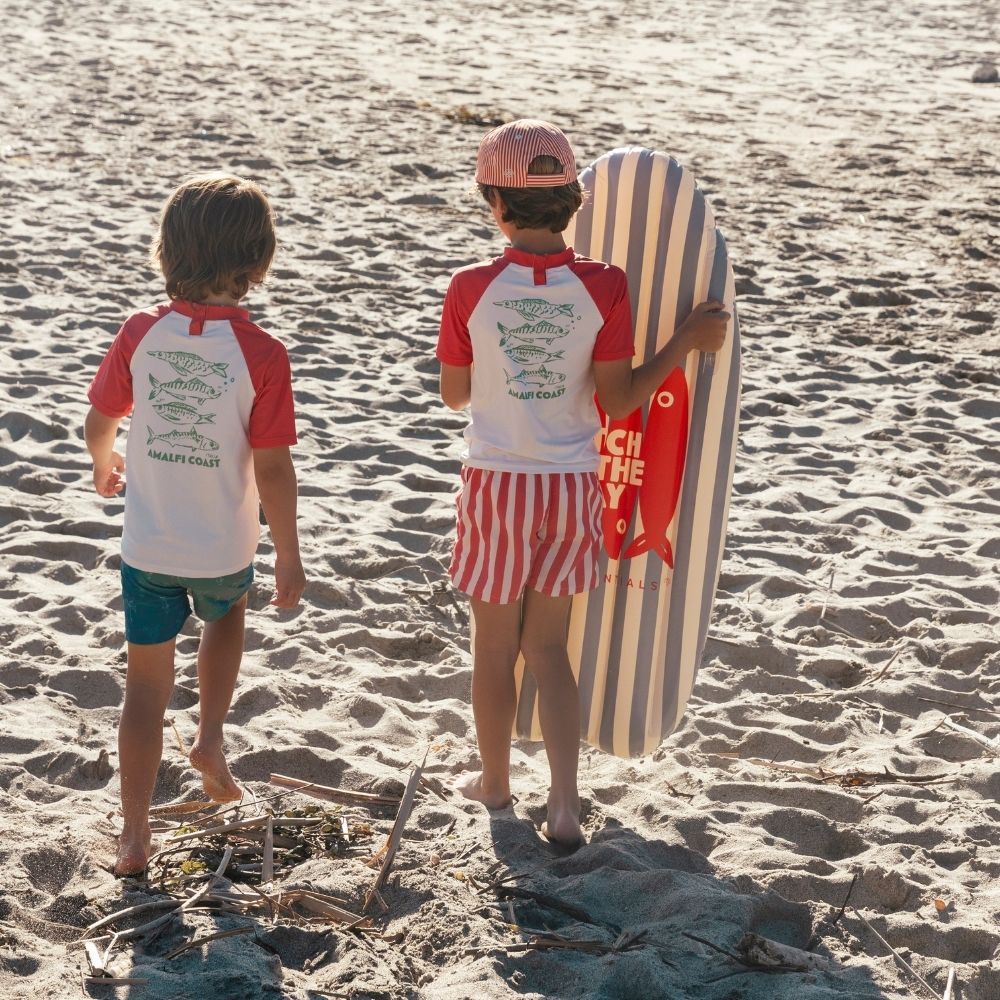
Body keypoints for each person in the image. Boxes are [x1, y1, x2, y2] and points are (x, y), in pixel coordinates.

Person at [436, 120, 728, 846]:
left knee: (493, 648)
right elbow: (622, 399)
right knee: (549, 652)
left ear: (493, 205)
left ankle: (497, 781)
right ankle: (564, 804)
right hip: (571, 488)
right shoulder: (605, 284)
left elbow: (454, 395)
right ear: (573, 202)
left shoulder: (470, 287)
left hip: (497, 486)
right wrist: (685, 341)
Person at [84, 173, 306, 875]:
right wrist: (290, 553)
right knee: (227, 612)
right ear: (258, 262)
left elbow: (100, 419)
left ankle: (133, 837)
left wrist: (104, 460)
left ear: (167, 249)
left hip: (148, 545)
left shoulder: (142, 331)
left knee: (143, 693)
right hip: (222, 546)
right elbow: (272, 470)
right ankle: (210, 736)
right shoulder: (263, 354)